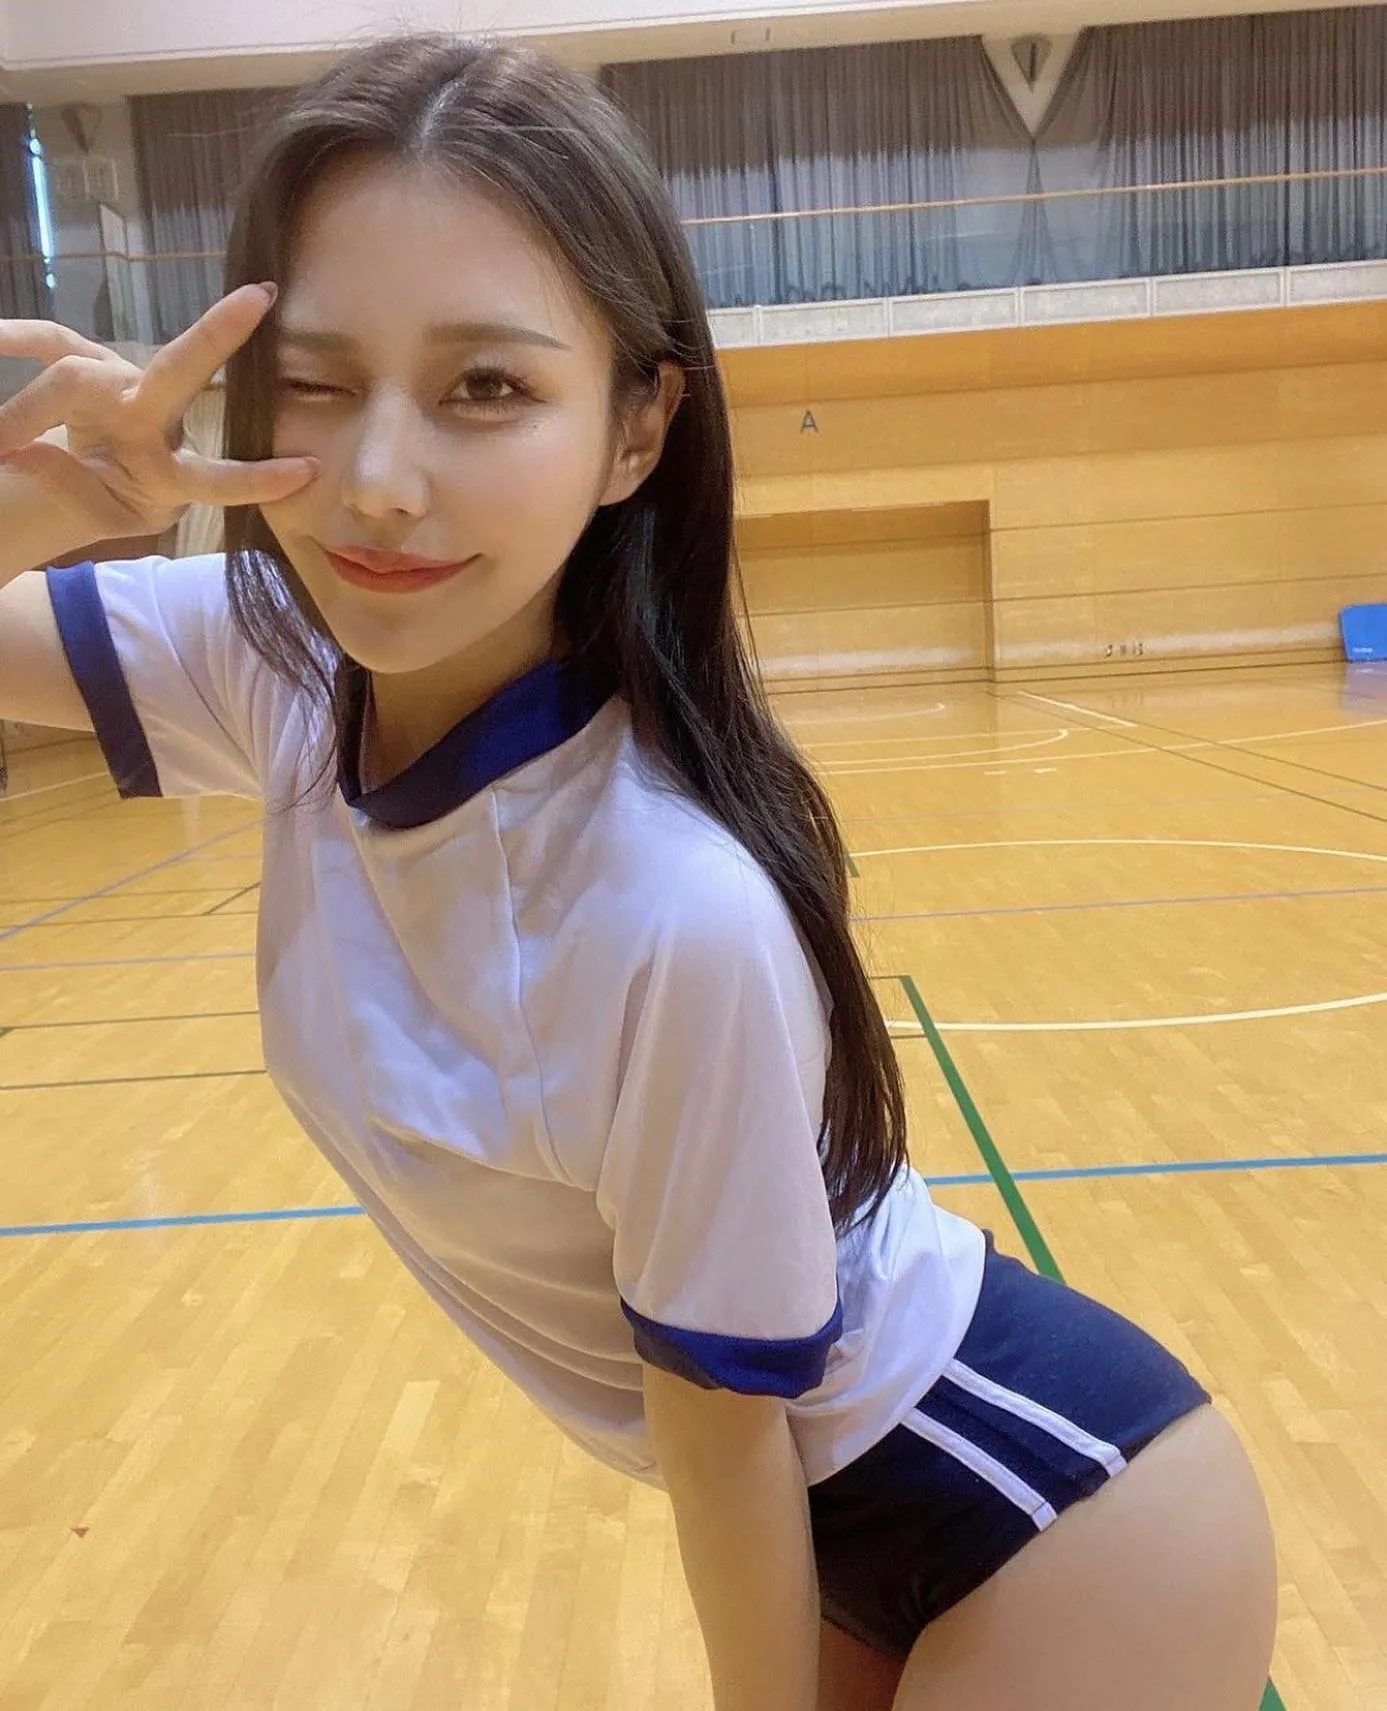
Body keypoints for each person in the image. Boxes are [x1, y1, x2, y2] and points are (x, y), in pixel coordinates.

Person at [0, 35, 1276, 1711]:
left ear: (634, 427)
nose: (380, 478)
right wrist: (44, 503)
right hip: (844, 1515)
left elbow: (726, 1441)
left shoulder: (672, 911)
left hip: (1048, 1523)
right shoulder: (281, 667)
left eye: (485, 387)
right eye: (315, 380)